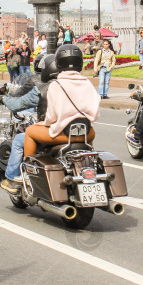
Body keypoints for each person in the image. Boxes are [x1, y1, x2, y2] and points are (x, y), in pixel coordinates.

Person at [19, 45, 99, 185]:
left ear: (58, 63)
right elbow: (95, 113)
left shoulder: (57, 85)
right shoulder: (88, 83)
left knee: (30, 132)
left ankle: (28, 172)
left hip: (62, 134)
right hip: (87, 134)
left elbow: (51, 117)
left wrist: (45, 123)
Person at [0, 55, 56, 193]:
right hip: (82, 135)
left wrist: (3, 99)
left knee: (19, 140)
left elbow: (18, 102)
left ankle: (13, 178)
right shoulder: (79, 85)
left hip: (54, 132)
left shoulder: (46, 89)